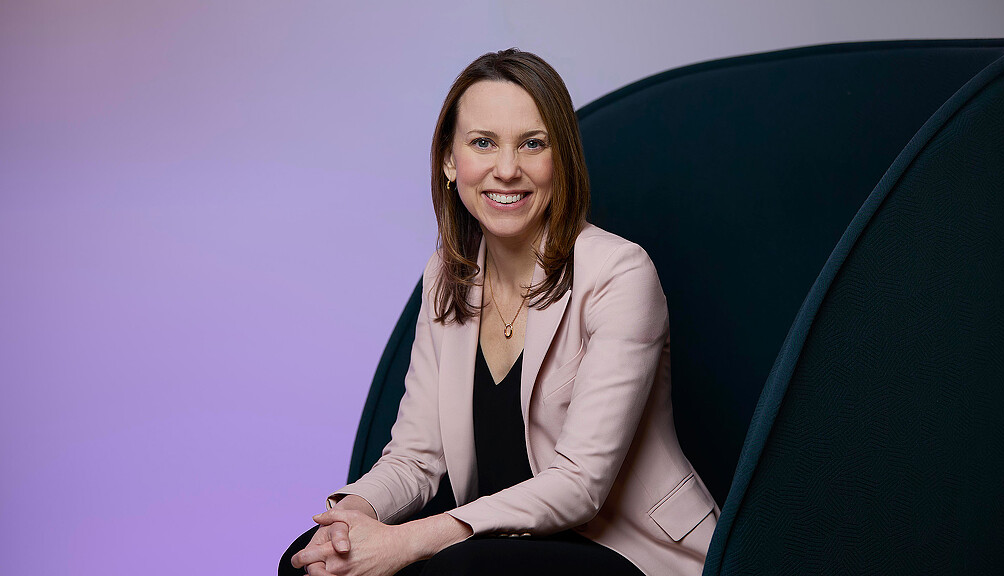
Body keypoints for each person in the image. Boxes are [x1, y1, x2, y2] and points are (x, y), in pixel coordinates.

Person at [283, 48, 718, 576]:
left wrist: (410, 541)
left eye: (532, 144)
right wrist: (351, 520)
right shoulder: (448, 276)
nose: (507, 170)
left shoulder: (619, 273)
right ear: (450, 161)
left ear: (561, 158)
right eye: (483, 143)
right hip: (499, 549)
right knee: (306, 563)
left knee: (455, 569)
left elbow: (580, 486)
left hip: (626, 553)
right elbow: (416, 458)